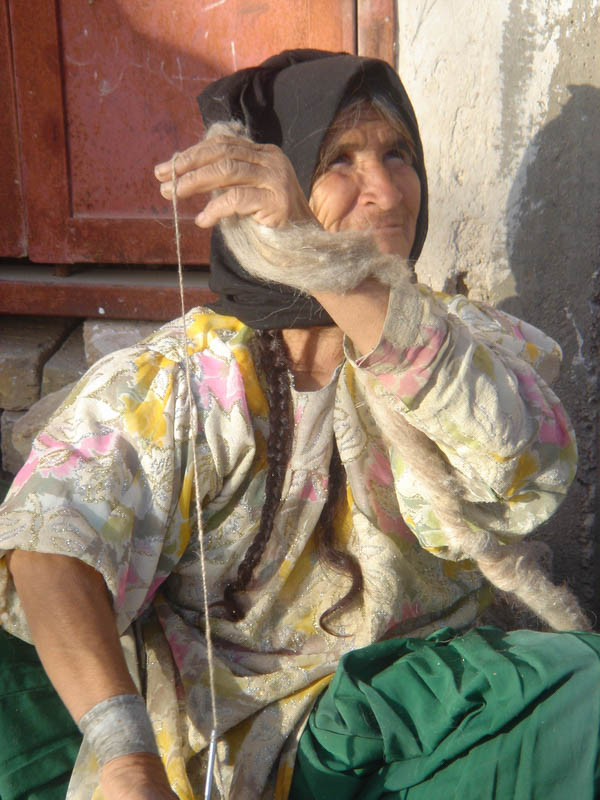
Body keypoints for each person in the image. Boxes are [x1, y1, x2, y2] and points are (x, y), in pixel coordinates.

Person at [0, 50, 598, 800]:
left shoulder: (457, 349)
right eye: (339, 159)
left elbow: (522, 469)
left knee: (582, 694)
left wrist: (321, 260)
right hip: (215, 751)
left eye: (397, 154)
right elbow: (52, 547)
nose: (383, 189)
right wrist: (125, 757)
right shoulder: (184, 379)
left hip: (411, 725)